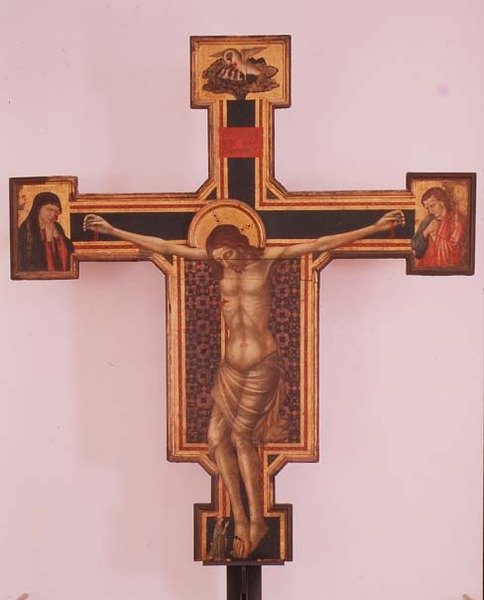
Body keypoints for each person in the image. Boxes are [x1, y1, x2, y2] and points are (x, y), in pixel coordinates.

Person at [83, 207, 405, 559]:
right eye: (219, 259)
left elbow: (320, 243)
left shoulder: (266, 260)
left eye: (229, 254)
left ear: (238, 244)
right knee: (214, 438)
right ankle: (240, 519)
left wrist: (374, 227)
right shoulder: (218, 262)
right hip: (230, 371)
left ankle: (257, 521)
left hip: (261, 367)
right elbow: (165, 246)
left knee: (240, 437)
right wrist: (113, 230)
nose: (226, 263)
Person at [18, 192, 74, 272]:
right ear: (38, 209)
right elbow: (27, 259)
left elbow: (69, 250)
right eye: (49, 210)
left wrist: (58, 238)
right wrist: (48, 241)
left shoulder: (57, 227)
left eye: (56, 211)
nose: (52, 215)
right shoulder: (27, 228)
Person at [411, 187, 466, 268]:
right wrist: (426, 232)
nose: (430, 211)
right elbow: (415, 247)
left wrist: (435, 237)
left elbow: (456, 250)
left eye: (432, 206)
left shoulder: (456, 220)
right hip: (426, 266)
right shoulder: (428, 220)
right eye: (427, 208)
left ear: (442, 202)